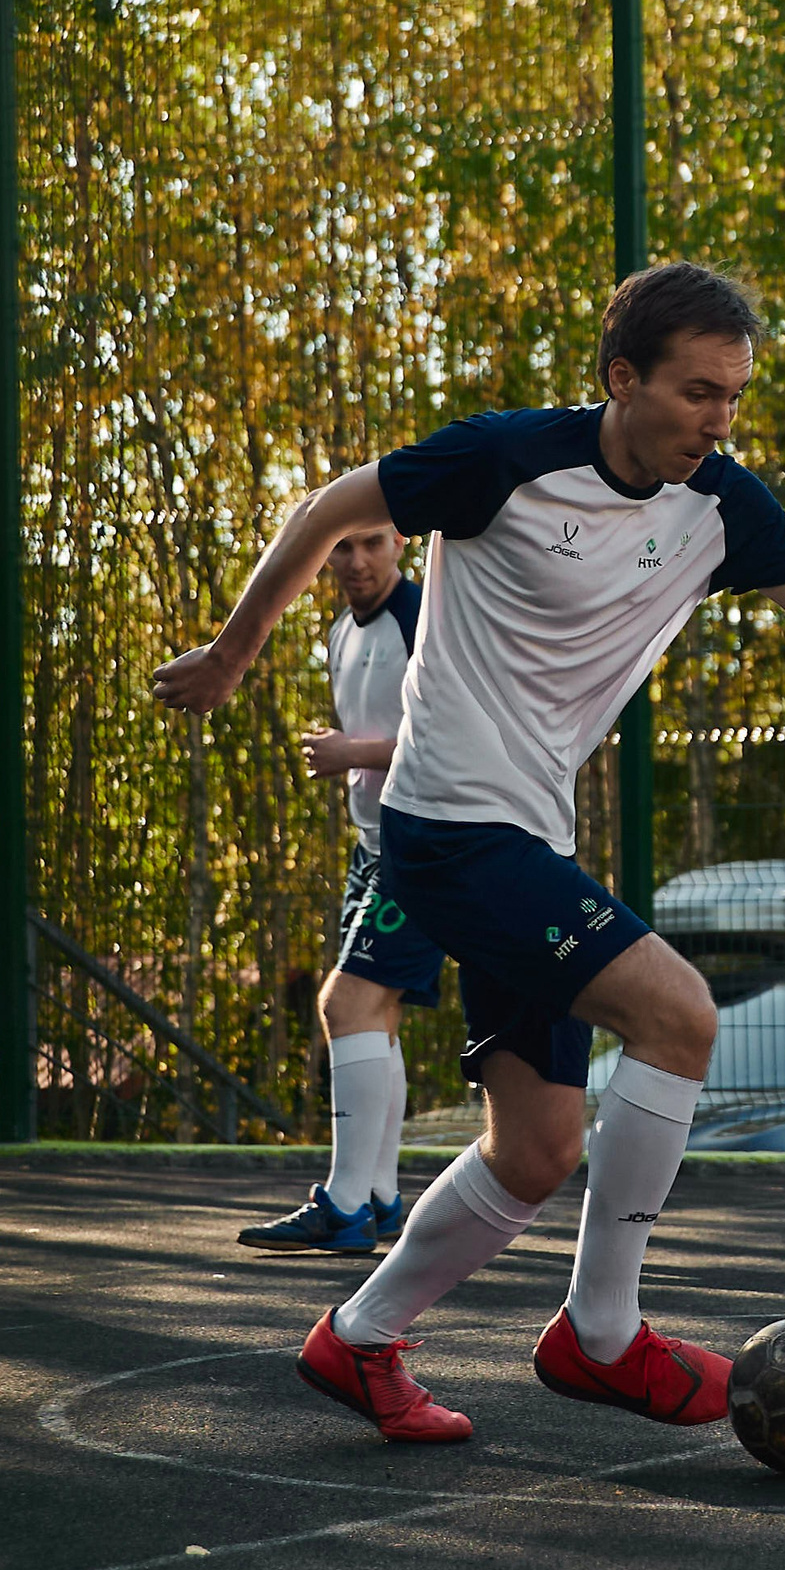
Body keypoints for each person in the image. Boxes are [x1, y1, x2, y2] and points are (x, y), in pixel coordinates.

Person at [153, 261, 785, 1442]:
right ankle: (601, 1334)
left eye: (734, 398)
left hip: (533, 830)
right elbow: (331, 508)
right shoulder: (505, 458)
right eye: (698, 393)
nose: (718, 420)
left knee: (538, 1149)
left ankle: (359, 1340)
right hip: (446, 826)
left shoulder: (720, 508)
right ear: (621, 379)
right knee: (680, 1016)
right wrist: (236, 653)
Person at [237, 524, 446, 1254]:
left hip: (425, 842)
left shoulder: (425, 618)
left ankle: (345, 1202)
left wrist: (349, 751)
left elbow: (451, 731)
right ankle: (381, 1195)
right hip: (372, 846)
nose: (356, 561)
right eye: (341, 548)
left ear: (401, 544)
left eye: (371, 544)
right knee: (373, 1014)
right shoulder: (339, 633)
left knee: (344, 1002)